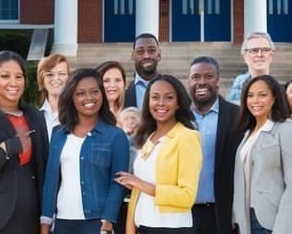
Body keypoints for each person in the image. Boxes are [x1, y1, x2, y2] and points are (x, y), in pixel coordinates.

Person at [39, 68, 131, 234]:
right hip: (63, 221)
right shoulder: (58, 133)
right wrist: (45, 222)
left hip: (98, 222)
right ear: (71, 97)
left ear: (102, 94)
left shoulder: (116, 136)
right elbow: (51, 180)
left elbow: (118, 183)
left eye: (94, 91)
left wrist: (108, 220)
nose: (89, 98)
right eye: (80, 93)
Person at [0, 50, 49, 234]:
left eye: (19, 76)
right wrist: (6, 148)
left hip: (32, 215)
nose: (13, 83)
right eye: (5, 76)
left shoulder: (35, 116)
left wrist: (46, 214)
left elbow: (43, 165)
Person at [116, 75, 201, 234]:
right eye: (155, 97)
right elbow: (142, 184)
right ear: (148, 102)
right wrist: (133, 183)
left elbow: (187, 196)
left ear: (178, 103)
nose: (161, 103)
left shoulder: (187, 137)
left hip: (171, 228)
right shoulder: (148, 137)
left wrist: (140, 184)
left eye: (168, 97)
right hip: (142, 225)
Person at [232, 75, 292, 234]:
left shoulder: (286, 129)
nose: (255, 100)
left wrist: (282, 227)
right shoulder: (248, 133)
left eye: (262, 95)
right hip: (245, 218)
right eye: (250, 95)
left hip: (272, 220)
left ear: (274, 98)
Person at [188, 57, 241, 234]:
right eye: (196, 77)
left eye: (208, 76)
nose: (201, 82)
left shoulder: (237, 116)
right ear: (189, 81)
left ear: (218, 81)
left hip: (222, 213)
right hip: (183, 212)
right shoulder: (178, 117)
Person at [230, 32, 276, 101]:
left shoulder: (278, 88)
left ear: (271, 55)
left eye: (265, 50)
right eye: (254, 50)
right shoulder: (239, 83)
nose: (260, 54)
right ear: (245, 56)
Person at [37, 53, 71, 138]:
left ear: (69, 78)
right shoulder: (33, 116)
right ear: (42, 80)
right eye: (49, 74)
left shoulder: (78, 113)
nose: (56, 78)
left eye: (61, 74)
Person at [126, 34, 161, 109]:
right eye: (140, 51)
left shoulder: (171, 87)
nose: (146, 56)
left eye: (151, 50)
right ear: (133, 56)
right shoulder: (124, 92)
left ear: (159, 55)